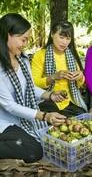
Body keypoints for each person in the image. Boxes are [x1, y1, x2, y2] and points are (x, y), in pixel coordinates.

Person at [0, 13, 66, 162]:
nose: (25, 44)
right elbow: (9, 106)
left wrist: (50, 95)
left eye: (27, 40)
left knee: (55, 109)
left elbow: (29, 88)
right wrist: (44, 116)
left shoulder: (22, 59)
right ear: (7, 35)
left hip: (20, 117)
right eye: (23, 39)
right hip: (4, 121)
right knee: (34, 151)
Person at [31, 20, 87, 117]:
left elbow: (80, 84)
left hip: (69, 100)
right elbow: (33, 83)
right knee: (49, 114)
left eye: (68, 38)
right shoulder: (40, 55)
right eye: (61, 37)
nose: (65, 42)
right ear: (52, 34)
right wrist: (53, 77)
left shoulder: (71, 55)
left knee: (82, 115)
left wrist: (80, 77)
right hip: (48, 100)